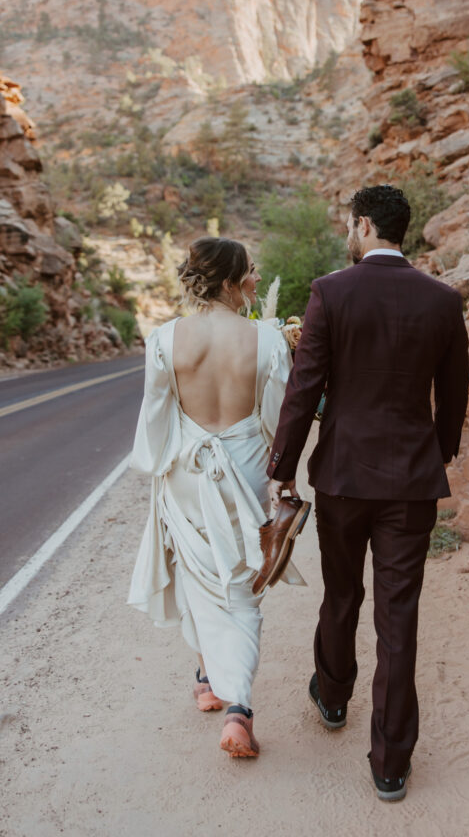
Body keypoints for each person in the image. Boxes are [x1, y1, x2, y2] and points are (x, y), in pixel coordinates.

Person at [266, 184, 469, 800]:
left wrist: (284, 464)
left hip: (344, 479)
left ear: (362, 226)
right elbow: (455, 389)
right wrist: (438, 453)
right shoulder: (443, 299)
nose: (346, 236)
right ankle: (390, 763)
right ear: (400, 230)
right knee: (398, 617)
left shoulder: (332, 291)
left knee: (341, 593)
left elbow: (305, 387)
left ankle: (332, 698)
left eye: (348, 227)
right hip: (411, 480)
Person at [128, 237, 304, 759]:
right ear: (229, 281)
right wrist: (281, 474)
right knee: (240, 586)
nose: (256, 280)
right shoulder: (268, 341)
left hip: (186, 470)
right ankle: (238, 711)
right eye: (251, 273)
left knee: (197, 572)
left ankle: (207, 677)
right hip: (245, 469)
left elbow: (155, 417)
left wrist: (161, 465)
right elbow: (277, 420)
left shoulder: (163, 339)